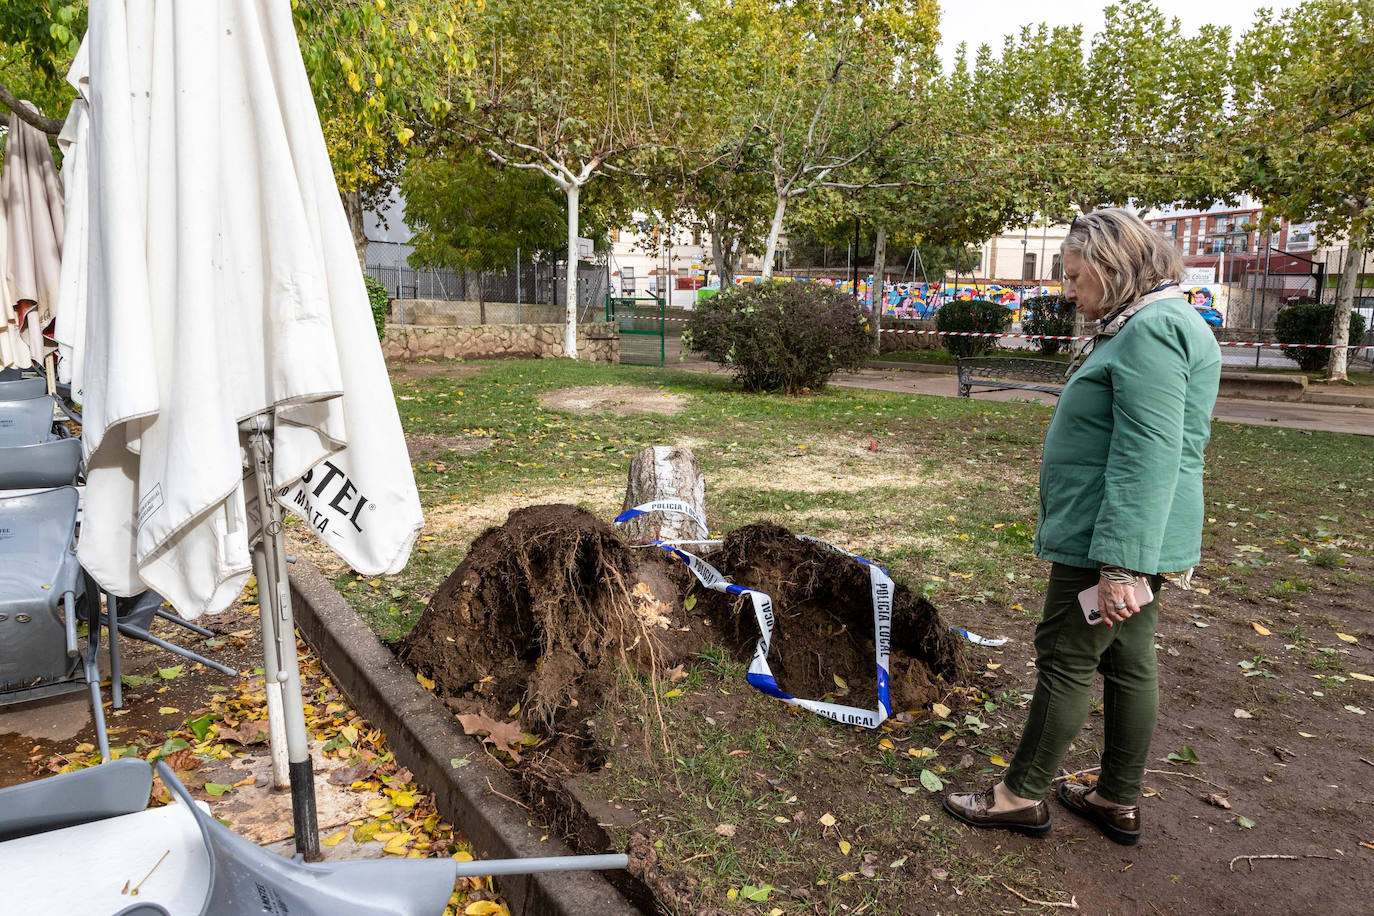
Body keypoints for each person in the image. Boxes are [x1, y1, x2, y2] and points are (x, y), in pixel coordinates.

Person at [942, 208, 1221, 846]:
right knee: (1126, 658)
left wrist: (1119, 564)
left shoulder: (1151, 329)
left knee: (1067, 657)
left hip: (1111, 539)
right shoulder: (1156, 321)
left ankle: (1019, 796)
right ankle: (1115, 798)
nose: (1069, 291)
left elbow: (1147, 451)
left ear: (1112, 266)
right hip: (1136, 534)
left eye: (1074, 277)